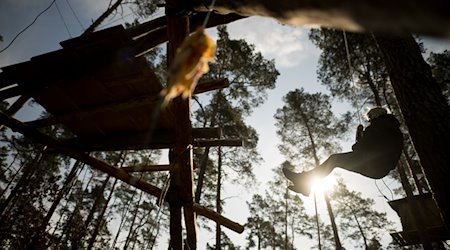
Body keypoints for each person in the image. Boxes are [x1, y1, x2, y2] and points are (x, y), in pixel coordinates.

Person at [283, 107, 404, 196]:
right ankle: (305, 183)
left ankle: (305, 181)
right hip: (380, 170)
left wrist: (359, 135)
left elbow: (358, 149)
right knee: (335, 160)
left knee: (335, 160)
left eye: (370, 117)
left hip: (373, 162)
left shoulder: (377, 125)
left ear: (376, 115)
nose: (369, 121)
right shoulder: (395, 131)